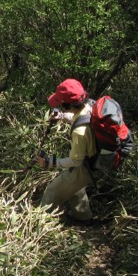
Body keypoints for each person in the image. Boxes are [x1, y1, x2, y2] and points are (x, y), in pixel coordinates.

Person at [35, 79, 97, 223]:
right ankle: (83, 217)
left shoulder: (80, 132)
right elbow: (78, 118)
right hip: (91, 163)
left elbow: (76, 161)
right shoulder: (90, 106)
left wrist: (49, 162)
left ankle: (40, 223)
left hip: (83, 167)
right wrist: (62, 116)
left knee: (51, 192)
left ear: (67, 105)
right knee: (74, 187)